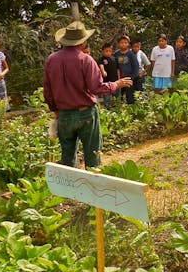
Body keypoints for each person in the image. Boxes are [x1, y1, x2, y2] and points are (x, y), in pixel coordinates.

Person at [43, 21, 132, 168]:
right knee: (93, 153)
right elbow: (96, 87)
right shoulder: (86, 60)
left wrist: (55, 110)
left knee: (68, 154)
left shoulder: (51, 60)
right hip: (86, 114)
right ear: (82, 42)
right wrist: (116, 84)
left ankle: (71, 187)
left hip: (64, 114)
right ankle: (93, 184)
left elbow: (47, 90)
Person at [114, 35, 139, 104]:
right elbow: (115, 66)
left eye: (125, 42)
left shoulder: (131, 54)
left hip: (129, 79)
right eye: (122, 42)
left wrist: (132, 77)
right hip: (119, 79)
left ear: (128, 44)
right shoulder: (116, 54)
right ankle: (120, 110)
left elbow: (136, 67)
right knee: (119, 96)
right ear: (118, 44)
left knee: (130, 96)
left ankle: (131, 110)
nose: (123, 44)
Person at [97, 43, 118, 108]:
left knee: (116, 97)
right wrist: (103, 71)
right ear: (103, 52)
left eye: (110, 51)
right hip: (106, 82)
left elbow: (118, 69)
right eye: (106, 51)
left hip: (115, 81)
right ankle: (107, 109)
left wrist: (119, 78)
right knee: (107, 98)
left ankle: (117, 109)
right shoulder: (101, 59)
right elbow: (101, 65)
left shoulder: (114, 59)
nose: (108, 53)